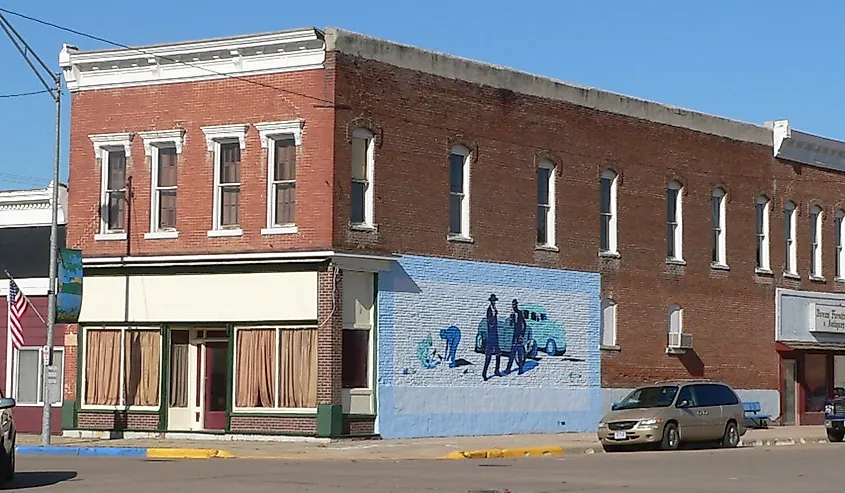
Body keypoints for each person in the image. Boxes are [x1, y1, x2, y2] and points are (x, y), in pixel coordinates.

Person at [482, 294, 501, 380]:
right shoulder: (489, 310)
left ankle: (496, 370)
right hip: (491, 335)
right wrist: (493, 320)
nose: (494, 302)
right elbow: (490, 321)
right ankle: (484, 373)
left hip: (495, 334)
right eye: (493, 301)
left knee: (498, 353)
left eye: (494, 301)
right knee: (488, 355)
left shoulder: (494, 309)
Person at [505, 299, 526, 375]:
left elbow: (524, 324)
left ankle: (520, 369)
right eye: (513, 305)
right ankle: (508, 369)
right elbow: (511, 325)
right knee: (512, 354)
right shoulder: (512, 314)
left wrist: (522, 335)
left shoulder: (520, 313)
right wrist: (511, 319)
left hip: (519, 336)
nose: (514, 306)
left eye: (515, 305)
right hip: (514, 337)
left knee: (520, 354)